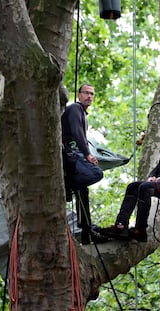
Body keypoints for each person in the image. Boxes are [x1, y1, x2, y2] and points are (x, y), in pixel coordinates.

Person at [98, 118, 160, 242]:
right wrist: (151, 177)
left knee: (145, 187)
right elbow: (158, 168)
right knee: (133, 186)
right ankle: (121, 225)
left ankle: (140, 230)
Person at [61, 83, 104, 244]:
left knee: (83, 189)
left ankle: (86, 229)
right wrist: (87, 154)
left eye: (92, 94)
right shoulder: (74, 109)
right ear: (79, 95)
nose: (89, 96)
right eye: (86, 93)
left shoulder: (82, 114)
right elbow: (77, 133)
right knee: (96, 173)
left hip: (73, 155)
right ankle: (68, 184)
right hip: (68, 155)